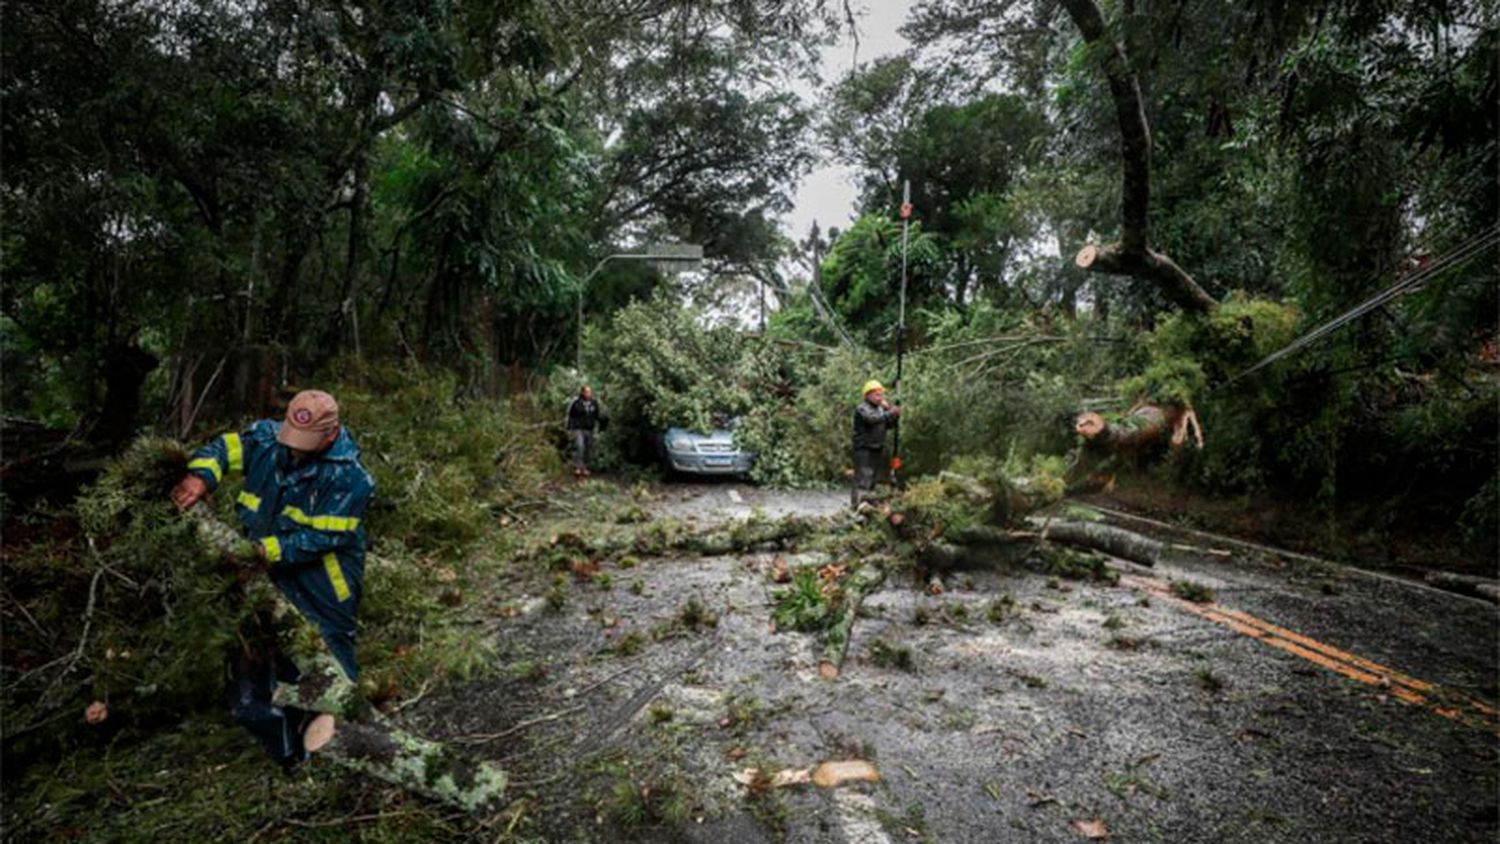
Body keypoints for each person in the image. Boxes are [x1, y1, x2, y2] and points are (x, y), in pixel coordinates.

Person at [171, 389, 375, 771]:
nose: (295, 450)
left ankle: (344, 747)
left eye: (306, 443)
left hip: (322, 586)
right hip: (262, 578)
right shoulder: (265, 440)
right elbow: (223, 449)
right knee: (251, 686)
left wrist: (265, 551)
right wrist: (200, 476)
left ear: (331, 435)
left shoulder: (350, 478)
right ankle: (291, 754)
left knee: (328, 670)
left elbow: (322, 538)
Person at [852, 380, 901, 507]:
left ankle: (869, 506)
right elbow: (872, 420)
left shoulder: (880, 409)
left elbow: (887, 424)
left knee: (874, 479)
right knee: (863, 479)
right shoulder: (862, 408)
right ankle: (856, 505)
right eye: (877, 395)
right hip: (864, 449)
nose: (880, 398)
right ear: (868, 395)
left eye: (881, 395)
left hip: (877, 448)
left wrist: (894, 416)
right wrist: (889, 413)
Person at [565, 384, 604, 478]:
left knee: (588, 448)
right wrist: (569, 428)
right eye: (586, 392)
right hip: (578, 428)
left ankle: (585, 467)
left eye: (589, 392)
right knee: (579, 446)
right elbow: (570, 415)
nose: (588, 394)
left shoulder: (594, 403)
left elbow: (597, 415)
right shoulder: (576, 403)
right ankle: (578, 467)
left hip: (589, 428)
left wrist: (602, 425)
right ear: (582, 392)